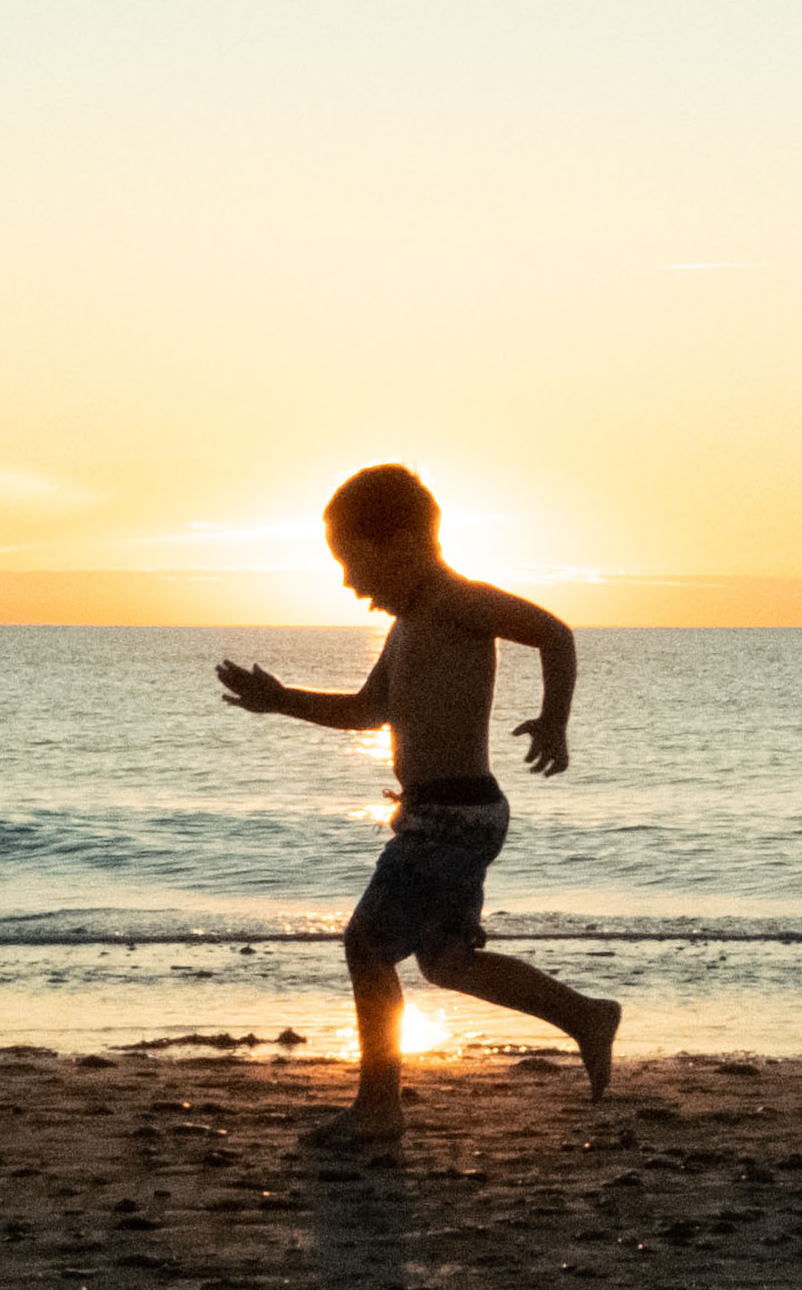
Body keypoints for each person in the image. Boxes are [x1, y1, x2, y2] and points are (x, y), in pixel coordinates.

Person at [213, 464, 620, 1135]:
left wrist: (554, 721)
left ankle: (379, 1107)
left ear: (402, 544)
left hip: (450, 818)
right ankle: (586, 1016)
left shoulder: (456, 601)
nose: (350, 582)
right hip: (452, 814)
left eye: (354, 562)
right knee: (447, 962)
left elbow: (554, 632)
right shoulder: (406, 624)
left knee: (368, 945)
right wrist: (280, 699)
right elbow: (368, 710)